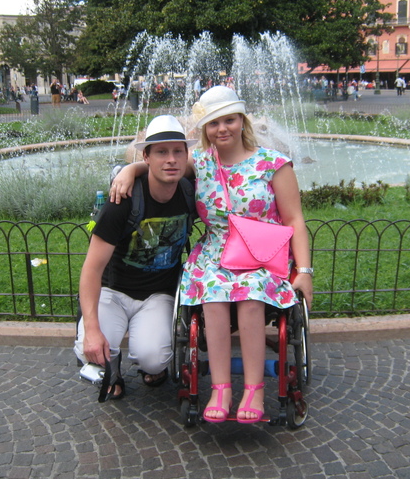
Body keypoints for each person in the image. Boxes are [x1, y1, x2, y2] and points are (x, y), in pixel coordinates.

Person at [111, 87, 313, 423]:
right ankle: (221, 389)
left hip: (262, 254)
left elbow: (295, 221)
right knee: (213, 292)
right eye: (214, 123)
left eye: (229, 120)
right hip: (215, 252)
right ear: (205, 128)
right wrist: (130, 170)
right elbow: (163, 165)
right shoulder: (202, 163)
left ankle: (254, 390)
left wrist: (304, 271)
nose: (222, 129)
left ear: (242, 121)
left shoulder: (274, 164)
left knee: (250, 295)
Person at [75, 115, 198, 401]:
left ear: (186, 155)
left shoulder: (189, 189)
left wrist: (132, 167)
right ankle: (112, 371)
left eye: (177, 151)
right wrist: (92, 329)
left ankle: (149, 367)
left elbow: (216, 167)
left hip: (158, 294)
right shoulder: (123, 201)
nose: (171, 159)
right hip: (112, 291)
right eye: (161, 152)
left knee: (153, 358)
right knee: (89, 349)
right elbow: (91, 270)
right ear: (147, 157)